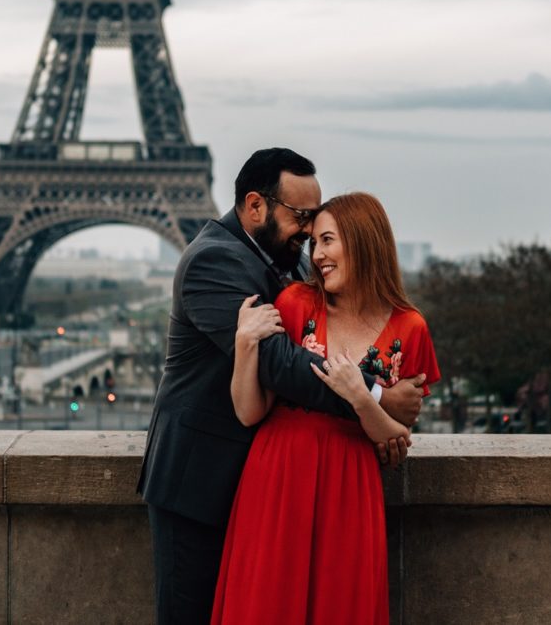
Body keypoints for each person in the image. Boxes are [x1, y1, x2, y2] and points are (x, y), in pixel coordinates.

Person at [137, 149, 428, 625]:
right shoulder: (214, 260)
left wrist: (380, 418)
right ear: (256, 206)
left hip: (265, 483)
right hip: (199, 483)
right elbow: (279, 362)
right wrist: (375, 397)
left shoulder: (284, 262)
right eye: (302, 216)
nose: (310, 231)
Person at [211, 192, 440, 625]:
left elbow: (396, 435)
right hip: (277, 478)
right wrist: (244, 345)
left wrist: (360, 394)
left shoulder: (411, 329)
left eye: (328, 240)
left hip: (349, 489)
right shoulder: (296, 304)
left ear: (363, 240)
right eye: (315, 242)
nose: (317, 255)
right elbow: (250, 411)